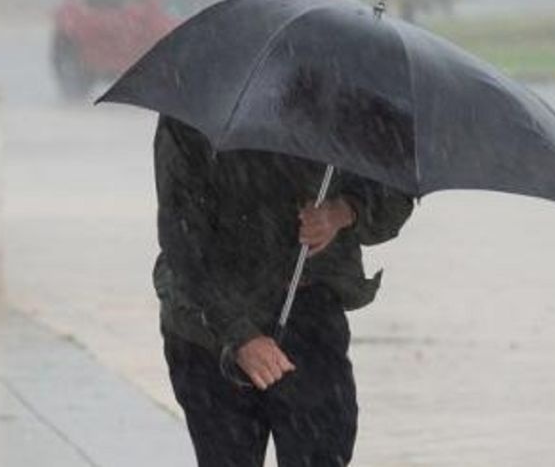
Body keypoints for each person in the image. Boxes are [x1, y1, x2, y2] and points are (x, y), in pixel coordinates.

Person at [152, 115, 414, 467]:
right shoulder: (191, 113)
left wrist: (343, 211)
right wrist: (239, 335)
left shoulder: (350, 101)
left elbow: (394, 194)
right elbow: (182, 241)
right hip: (207, 328)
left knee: (322, 453)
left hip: (308, 317)